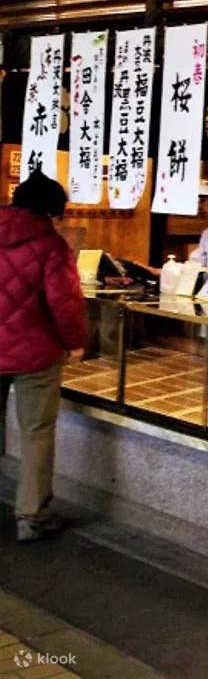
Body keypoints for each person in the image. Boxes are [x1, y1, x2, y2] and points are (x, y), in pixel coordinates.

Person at [0, 170, 87, 542]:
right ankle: (31, 517)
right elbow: (65, 306)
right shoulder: (52, 246)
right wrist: (77, 342)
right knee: (35, 431)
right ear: (51, 212)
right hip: (35, 355)